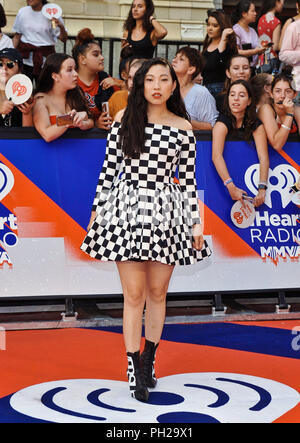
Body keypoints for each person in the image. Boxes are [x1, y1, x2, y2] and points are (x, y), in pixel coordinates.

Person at [81, 57, 211, 402]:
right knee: (133, 295)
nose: (155, 85)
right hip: (126, 209)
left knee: (157, 293)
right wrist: (96, 212)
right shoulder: (125, 119)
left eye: (163, 79)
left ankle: (149, 360)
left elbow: (188, 181)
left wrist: (195, 221)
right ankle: (132, 366)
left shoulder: (183, 127)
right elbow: (108, 170)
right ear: (139, 85)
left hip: (166, 213)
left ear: (173, 85)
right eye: (149, 79)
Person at [212, 79, 269, 207]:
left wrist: (262, 188)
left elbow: (263, 157)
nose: (235, 99)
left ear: (249, 101)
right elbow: (216, 156)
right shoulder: (222, 122)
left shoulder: (255, 123)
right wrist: (230, 186)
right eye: (232, 94)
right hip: (223, 186)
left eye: (241, 95)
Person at [33, 53, 94, 142]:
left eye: (75, 69)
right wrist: (69, 119)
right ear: (55, 76)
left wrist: (84, 123)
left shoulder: (77, 93)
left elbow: (91, 121)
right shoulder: (41, 99)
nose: (75, 74)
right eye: (69, 70)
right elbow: (46, 134)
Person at [72, 28, 122, 130]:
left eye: (101, 53)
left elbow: (131, 97)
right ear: (82, 59)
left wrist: (121, 84)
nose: (102, 57)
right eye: (96, 54)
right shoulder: (71, 80)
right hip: (75, 138)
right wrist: (95, 124)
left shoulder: (106, 79)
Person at [12, 0, 68, 82]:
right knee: (25, 91)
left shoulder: (51, 12)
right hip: (25, 59)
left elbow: (63, 39)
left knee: (44, 91)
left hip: (45, 60)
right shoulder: (22, 12)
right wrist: (11, 56)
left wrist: (61, 27)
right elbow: (17, 36)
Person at [172, 46, 218, 130]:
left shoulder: (200, 93)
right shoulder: (166, 88)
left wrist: (182, 120)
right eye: (175, 57)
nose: (174, 60)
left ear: (191, 69)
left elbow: (212, 126)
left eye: (181, 59)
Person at [258, 70, 300, 151]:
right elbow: (277, 145)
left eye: (288, 91)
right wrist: (289, 114)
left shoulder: (297, 110)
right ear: (271, 93)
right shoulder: (266, 109)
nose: (282, 96)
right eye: (278, 91)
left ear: (295, 94)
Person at [201, 9, 238, 98]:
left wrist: (224, 39)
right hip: (205, 89)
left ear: (222, 27)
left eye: (215, 26)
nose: (210, 28)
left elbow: (216, 62)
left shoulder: (229, 46)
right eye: (208, 24)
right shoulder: (207, 45)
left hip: (220, 90)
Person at [0, 48, 34, 127]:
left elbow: (26, 133)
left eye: (10, 64)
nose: (4, 68)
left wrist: (27, 113)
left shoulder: (25, 95)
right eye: (0, 63)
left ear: (19, 70)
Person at [231, 1, 267, 73]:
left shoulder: (252, 30)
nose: (255, 14)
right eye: (252, 11)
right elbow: (236, 52)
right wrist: (255, 51)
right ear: (244, 14)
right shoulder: (236, 30)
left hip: (253, 68)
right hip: (241, 70)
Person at [257, 0, 284, 73]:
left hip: (261, 58)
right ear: (276, 2)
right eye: (282, 2)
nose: (282, 5)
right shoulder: (276, 22)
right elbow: (275, 47)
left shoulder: (261, 19)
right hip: (271, 58)